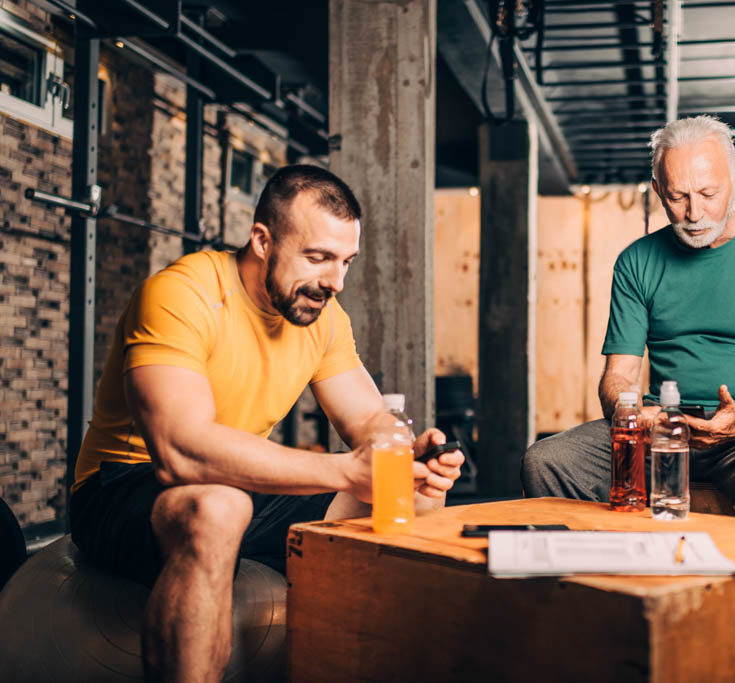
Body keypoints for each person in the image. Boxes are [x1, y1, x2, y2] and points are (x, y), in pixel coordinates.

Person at [69, 165, 464, 682]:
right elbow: (179, 450)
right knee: (217, 505)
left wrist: (404, 454)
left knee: (408, 496)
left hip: (241, 485)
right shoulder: (181, 294)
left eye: (346, 261)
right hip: (121, 486)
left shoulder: (323, 317)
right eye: (318, 257)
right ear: (262, 239)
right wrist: (347, 472)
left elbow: (369, 417)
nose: (334, 281)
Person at [522, 116, 735, 526]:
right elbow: (618, 376)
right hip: (660, 427)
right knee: (546, 461)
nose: (694, 212)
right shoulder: (636, 261)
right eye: (678, 196)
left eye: (708, 193)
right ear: (658, 193)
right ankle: (606, 582)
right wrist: (629, 414)